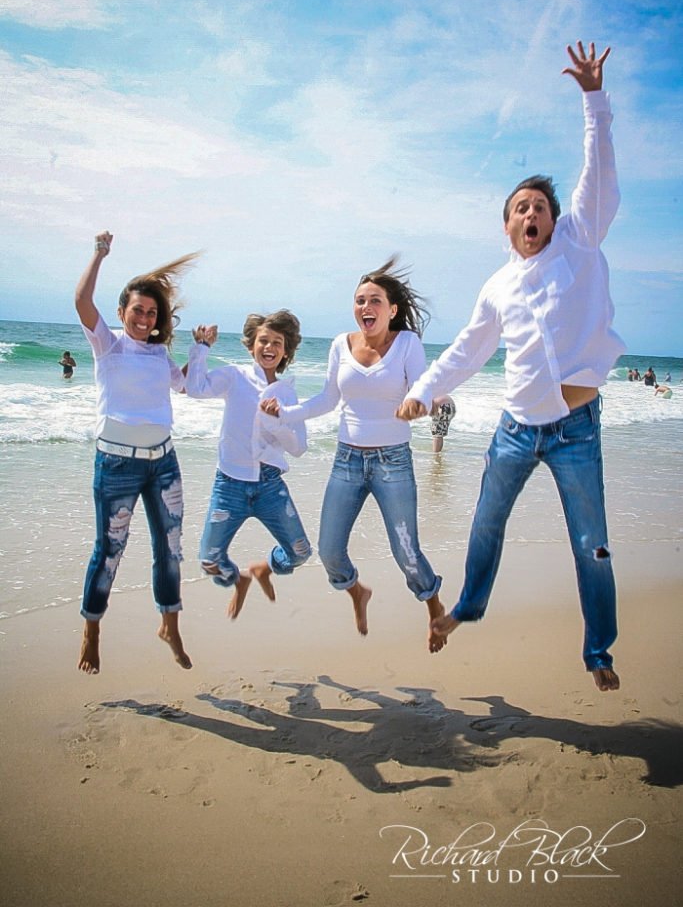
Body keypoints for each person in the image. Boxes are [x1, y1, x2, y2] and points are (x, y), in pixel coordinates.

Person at [397, 41, 624, 691]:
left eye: (539, 206)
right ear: (506, 227)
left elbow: (599, 174)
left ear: (557, 219)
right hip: (516, 429)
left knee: (593, 542)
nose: (531, 213)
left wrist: (593, 99)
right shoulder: (497, 285)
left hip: (576, 427)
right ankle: (464, 610)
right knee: (485, 524)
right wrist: (421, 390)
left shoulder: (579, 242)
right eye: (519, 208)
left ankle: (599, 651)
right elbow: (468, 349)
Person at [262, 258, 446, 652]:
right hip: (347, 460)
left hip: (392, 462)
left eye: (375, 300)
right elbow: (329, 399)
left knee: (407, 552)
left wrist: (421, 404)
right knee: (329, 551)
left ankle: (433, 605)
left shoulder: (408, 345)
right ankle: (356, 591)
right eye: (360, 300)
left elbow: (422, 391)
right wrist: (288, 413)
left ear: (392, 309)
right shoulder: (339, 345)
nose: (366, 307)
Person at [75, 231, 197, 675]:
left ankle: (171, 625)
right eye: (137, 310)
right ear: (122, 312)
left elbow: (183, 385)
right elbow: (81, 301)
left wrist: (200, 350)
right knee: (109, 551)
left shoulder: (158, 353)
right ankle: (91, 631)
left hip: (163, 463)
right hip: (118, 464)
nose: (144, 318)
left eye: (151, 312)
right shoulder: (107, 345)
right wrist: (99, 253)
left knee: (170, 548)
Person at [185, 313, 311, 620]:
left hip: (270, 486)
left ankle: (264, 568)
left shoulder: (287, 393)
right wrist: (201, 347)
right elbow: (195, 388)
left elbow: (299, 448)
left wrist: (276, 421)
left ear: (286, 351)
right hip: (229, 484)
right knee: (209, 561)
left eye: (277, 343)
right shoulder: (234, 376)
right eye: (263, 341)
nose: (269, 347)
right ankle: (237, 579)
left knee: (299, 553)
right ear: (251, 345)